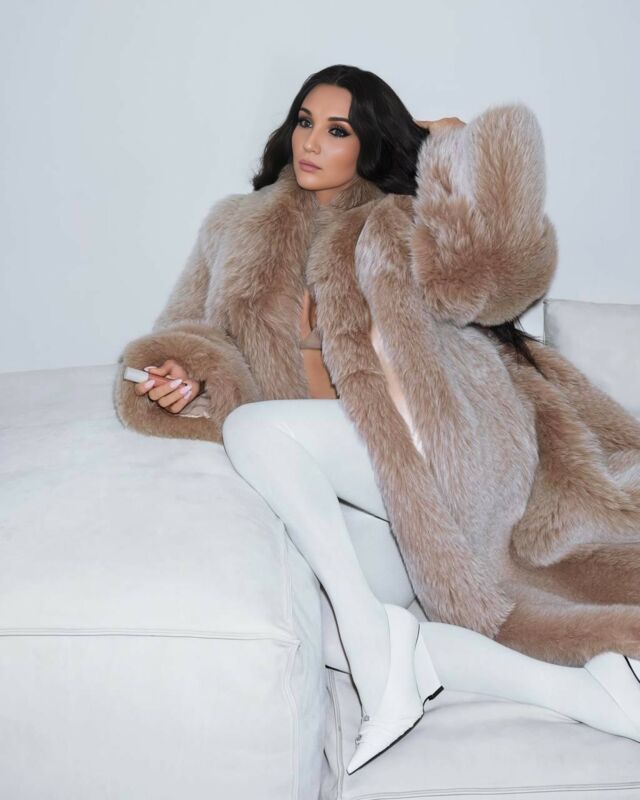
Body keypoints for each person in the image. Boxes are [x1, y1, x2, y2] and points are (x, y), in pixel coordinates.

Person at [116, 65, 640, 774]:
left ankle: (374, 647)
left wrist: (452, 153)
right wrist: (185, 374)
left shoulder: (400, 218)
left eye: (338, 130)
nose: (311, 142)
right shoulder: (233, 228)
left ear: (368, 143)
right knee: (328, 620)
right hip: (343, 486)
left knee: (254, 431)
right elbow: (192, 330)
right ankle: (592, 695)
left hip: (438, 447)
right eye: (305, 122)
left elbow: (495, 280)